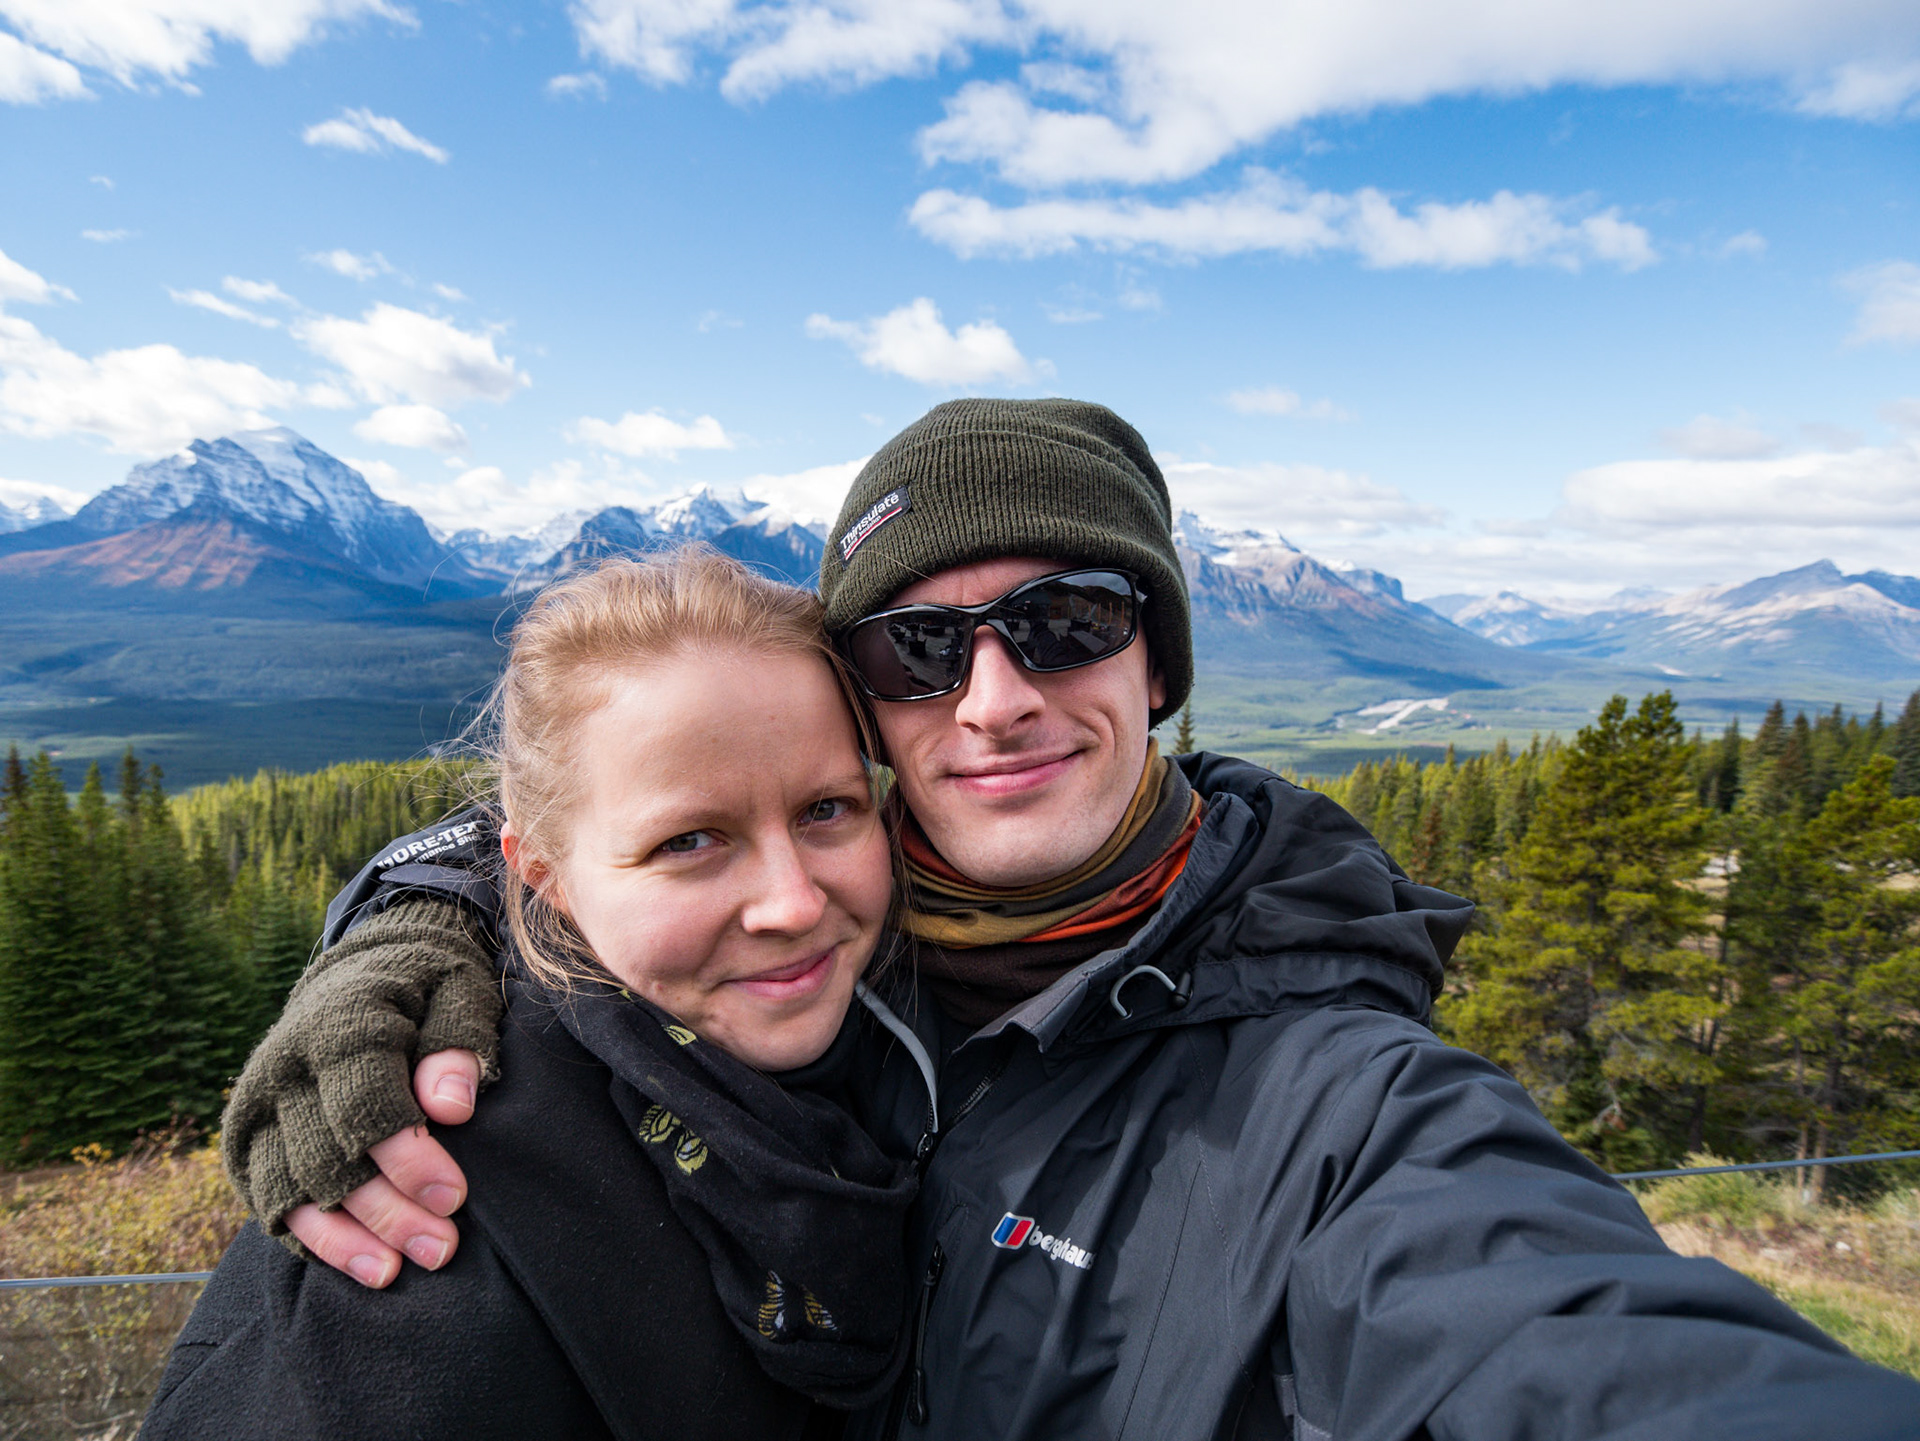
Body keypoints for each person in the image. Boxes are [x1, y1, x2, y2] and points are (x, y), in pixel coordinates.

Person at [219, 400, 1920, 1439]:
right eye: (919, 648)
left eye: (1071, 619)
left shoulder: (1337, 1103)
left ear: (1158, 663)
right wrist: (414, 915)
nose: (996, 700)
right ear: (863, 710)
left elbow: (1550, 1329)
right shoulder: (655, 1052)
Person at [143, 549, 924, 1440]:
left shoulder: (928, 1023)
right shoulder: (423, 1206)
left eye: (827, 809)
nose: (792, 902)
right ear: (544, 875)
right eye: (690, 840)